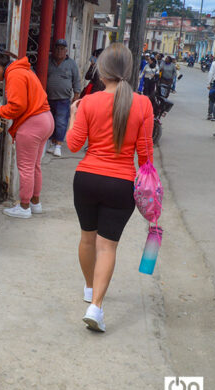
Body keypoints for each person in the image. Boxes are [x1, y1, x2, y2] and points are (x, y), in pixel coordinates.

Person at [65, 43, 154, 332]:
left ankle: (90, 288)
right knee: (107, 246)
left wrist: (74, 115)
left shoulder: (89, 102)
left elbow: (74, 145)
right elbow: (146, 155)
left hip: (87, 179)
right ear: (128, 70)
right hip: (122, 183)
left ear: (102, 70)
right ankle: (96, 307)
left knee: (87, 239)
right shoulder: (143, 104)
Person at [0, 52, 54, 218]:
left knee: (26, 168)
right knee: (35, 166)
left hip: (32, 123)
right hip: (45, 119)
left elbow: (17, 106)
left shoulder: (14, 74)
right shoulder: (23, 70)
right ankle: (34, 203)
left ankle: (24, 207)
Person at [46, 38, 81, 157]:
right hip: (48, 98)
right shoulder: (48, 61)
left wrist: (76, 96)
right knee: (49, 122)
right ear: (54, 50)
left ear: (66, 51)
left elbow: (76, 80)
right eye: (57, 48)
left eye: (62, 49)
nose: (59, 51)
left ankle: (58, 145)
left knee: (61, 122)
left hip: (63, 99)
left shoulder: (71, 64)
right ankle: (51, 142)